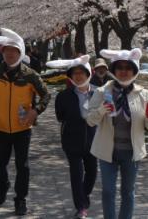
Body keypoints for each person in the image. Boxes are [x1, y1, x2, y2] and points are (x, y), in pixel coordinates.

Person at [0, 29, 51, 215]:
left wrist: (35, 111)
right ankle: (3, 185)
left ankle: (20, 199)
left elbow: (46, 95)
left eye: (14, 51)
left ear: (20, 53)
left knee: (23, 166)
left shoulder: (30, 75)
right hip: (0, 127)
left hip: (22, 128)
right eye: (7, 51)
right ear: (2, 52)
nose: (10, 54)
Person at [86, 48, 148, 219]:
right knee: (108, 191)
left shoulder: (143, 94)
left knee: (128, 191)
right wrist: (101, 110)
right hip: (107, 151)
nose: (124, 71)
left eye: (128, 68)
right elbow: (90, 120)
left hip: (131, 152)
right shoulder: (102, 92)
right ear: (114, 70)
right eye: (120, 67)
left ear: (135, 70)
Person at [52, 55, 98, 219]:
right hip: (72, 140)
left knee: (92, 172)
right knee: (76, 174)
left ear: (88, 74)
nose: (78, 76)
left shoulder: (98, 93)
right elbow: (60, 116)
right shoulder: (63, 96)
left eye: (81, 72)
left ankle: (83, 196)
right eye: (75, 73)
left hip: (94, 140)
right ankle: (81, 207)